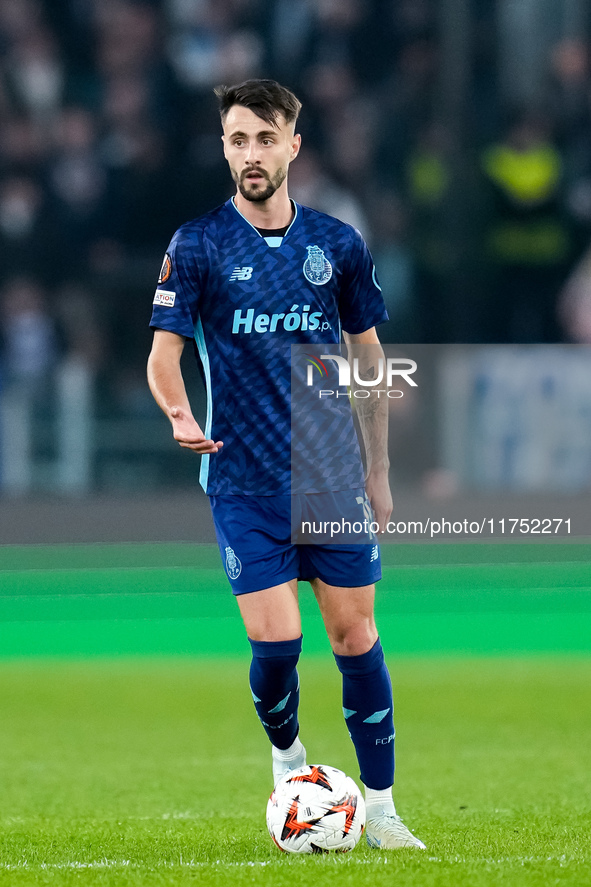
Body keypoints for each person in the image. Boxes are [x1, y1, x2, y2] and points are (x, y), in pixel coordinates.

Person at [147, 78, 425, 850]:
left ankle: (378, 808)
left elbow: (368, 360)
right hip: (242, 480)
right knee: (274, 650)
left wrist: (378, 471)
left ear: (293, 146)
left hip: (332, 477)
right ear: (225, 148)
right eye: (237, 139)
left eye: (264, 139)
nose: (250, 154)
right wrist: (178, 413)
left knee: (354, 639)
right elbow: (163, 354)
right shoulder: (197, 243)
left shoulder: (335, 244)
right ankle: (287, 753)